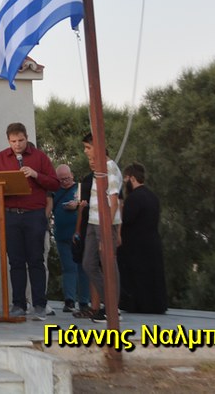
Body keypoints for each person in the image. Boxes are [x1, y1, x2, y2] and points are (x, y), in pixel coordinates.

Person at [0, 122, 59, 320]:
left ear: (26, 137)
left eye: (21, 140)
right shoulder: (1, 157)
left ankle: (39, 304)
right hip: (11, 214)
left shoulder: (39, 157)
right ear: (8, 140)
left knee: (36, 259)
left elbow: (54, 183)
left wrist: (36, 175)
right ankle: (18, 304)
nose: (17, 145)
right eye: (13, 141)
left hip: (34, 214)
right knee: (16, 261)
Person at [79, 132, 122, 324]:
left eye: (88, 147)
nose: (85, 151)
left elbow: (114, 202)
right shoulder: (99, 169)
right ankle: (110, 302)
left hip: (104, 225)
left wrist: (107, 232)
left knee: (109, 266)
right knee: (88, 263)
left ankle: (112, 307)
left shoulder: (110, 169)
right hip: (92, 222)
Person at [118, 162, 167, 314]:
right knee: (153, 277)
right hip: (152, 241)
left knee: (137, 277)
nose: (125, 183)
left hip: (136, 245)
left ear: (132, 179)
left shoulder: (134, 198)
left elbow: (126, 219)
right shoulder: (152, 197)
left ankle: (136, 305)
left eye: (126, 179)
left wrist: (120, 209)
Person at [51, 164, 90, 313]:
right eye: (61, 179)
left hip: (79, 233)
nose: (65, 181)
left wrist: (78, 205)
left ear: (72, 175)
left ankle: (84, 301)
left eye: (67, 178)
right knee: (68, 268)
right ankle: (69, 300)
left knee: (83, 268)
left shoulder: (80, 189)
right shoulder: (55, 191)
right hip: (62, 234)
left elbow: (88, 206)